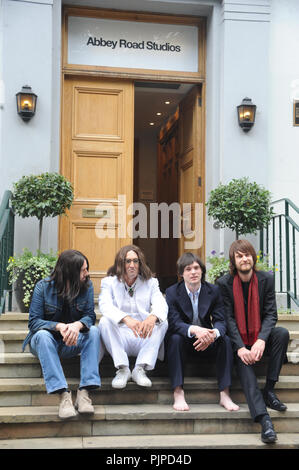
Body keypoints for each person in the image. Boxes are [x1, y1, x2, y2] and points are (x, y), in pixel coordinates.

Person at [217, 239, 289, 444]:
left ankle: (270, 390)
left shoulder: (266, 279)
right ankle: (265, 421)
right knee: (245, 367)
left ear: (253, 257)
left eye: (247, 254)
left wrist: (261, 340)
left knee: (282, 333)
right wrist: (240, 347)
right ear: (234, 260)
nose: (244, 259)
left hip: (258, 338)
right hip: (238, 342)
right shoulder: (224, 283)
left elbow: (271, 315)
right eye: (239, 256)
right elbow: (228, 318)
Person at [22, 249, 101, 420]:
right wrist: (59, 326)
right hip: (46, 343)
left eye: (86, 269)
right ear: (70, 272)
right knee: (42, 335)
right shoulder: (42, 287)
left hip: (71, 342)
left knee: (94, 331)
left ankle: (84, 393)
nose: (87, 274)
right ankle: (64, 396)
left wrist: (77, 325)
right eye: (83, 270)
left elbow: (90, 316)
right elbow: (34, 322)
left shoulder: (86, 286)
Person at [165, 252, 239, 413]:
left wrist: (213, 334)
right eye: (188, 269)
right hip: (185, 342)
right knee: (175, 338)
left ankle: (224, 393)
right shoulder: (172, 292)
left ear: (202, 270)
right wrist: (195, 330)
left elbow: (221, 320)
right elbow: (174, 323)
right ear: (181, 273)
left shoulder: (214, 291)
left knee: (225, 340)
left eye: (197, 268)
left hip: (207, 341)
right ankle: (178, 392)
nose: (193, 272)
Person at [98, 245, 168, 389]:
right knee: (105, 321)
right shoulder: (108, 282)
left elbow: (161, 304)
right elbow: (105, 306)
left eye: (135, 261)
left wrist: (152, 317)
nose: (132, 265)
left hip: (143, 335)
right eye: (127, 261)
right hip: (120, 336)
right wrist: (125, 318)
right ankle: (123, 369)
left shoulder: (151, 282)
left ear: (140, 263)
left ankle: (139, 369)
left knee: (163, 322)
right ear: (120, 263)